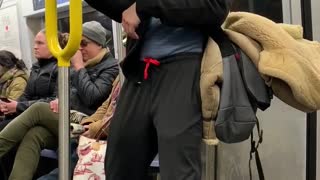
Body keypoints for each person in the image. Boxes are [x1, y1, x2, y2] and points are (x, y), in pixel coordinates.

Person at [84, 0, 230, 179]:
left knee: (178, 167)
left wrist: (143, 6)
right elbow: (127, 10)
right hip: (140, 69)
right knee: (120, 160)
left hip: (183, 63)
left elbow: (215, 8)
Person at [0, 21, 119, 180]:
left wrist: (78, 67)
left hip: (86, 120)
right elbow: (69, 92)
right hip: (68, 117)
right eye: (76, 44)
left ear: (99, 45)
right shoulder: (45, 67)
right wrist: (60, 99)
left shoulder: (111, 67)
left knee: (38, 109)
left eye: (84, 43)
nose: (79, 48)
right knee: (34, 135)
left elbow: (93, 98)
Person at [0, 29, 62, 130]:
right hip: (28, 114)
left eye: (40, 43)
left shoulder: (61, 68)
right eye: (35, 43)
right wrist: (10, 105)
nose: (35, 47)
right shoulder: (36, 67)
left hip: (45, 118)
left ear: (54, 45)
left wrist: (18, 106)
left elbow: (54, 101)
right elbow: (26, 95)